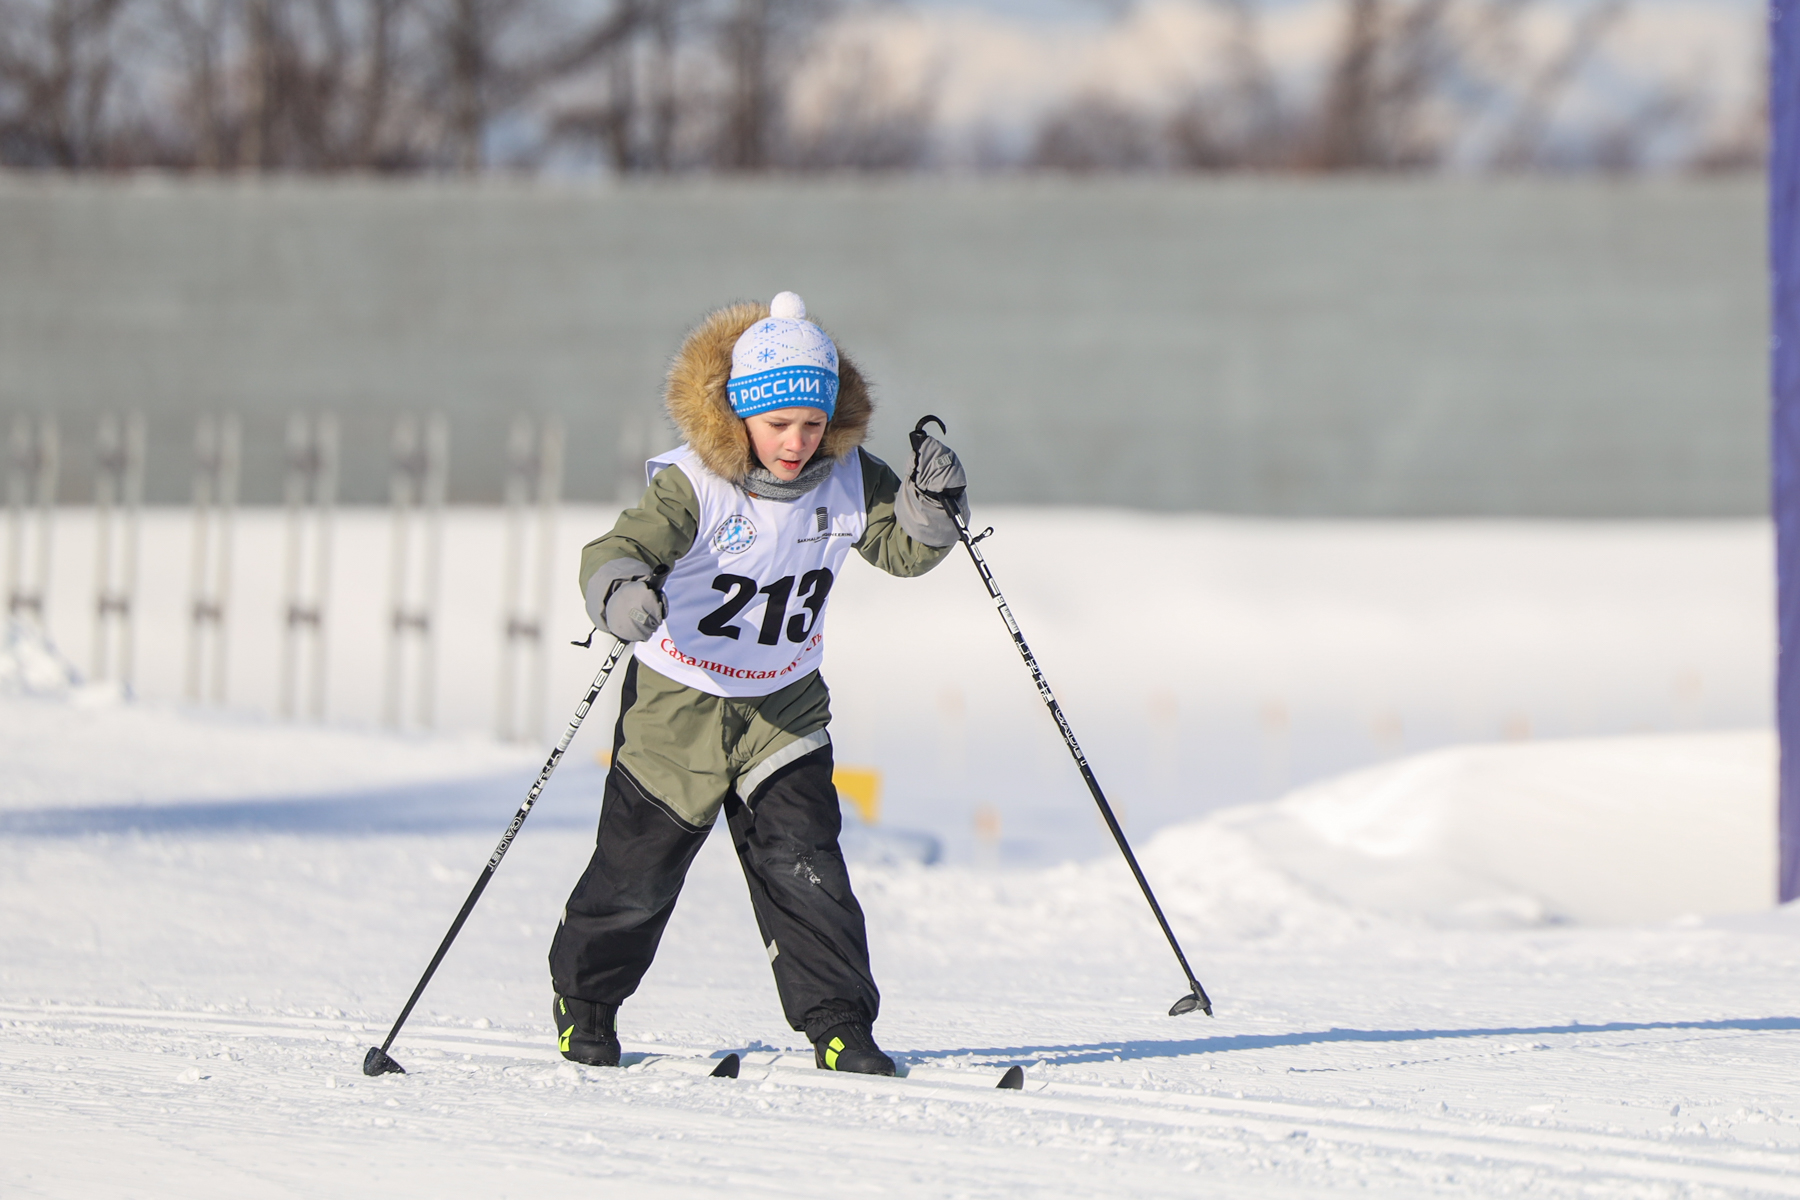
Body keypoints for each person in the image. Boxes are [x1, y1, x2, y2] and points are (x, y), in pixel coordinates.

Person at [549, 291, 969, 1076]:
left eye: (812, 425)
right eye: (779, 425)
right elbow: (621, 545)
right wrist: (621, 589)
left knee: (808, 869)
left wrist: (933, 508)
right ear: (741, 415)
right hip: (680, 707)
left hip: (784, 706)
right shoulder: (694, 484)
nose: (797, 443)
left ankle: (840, 1026)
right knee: (637, 875)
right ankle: (586, 1003)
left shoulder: (847, 474)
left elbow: (901, 549)